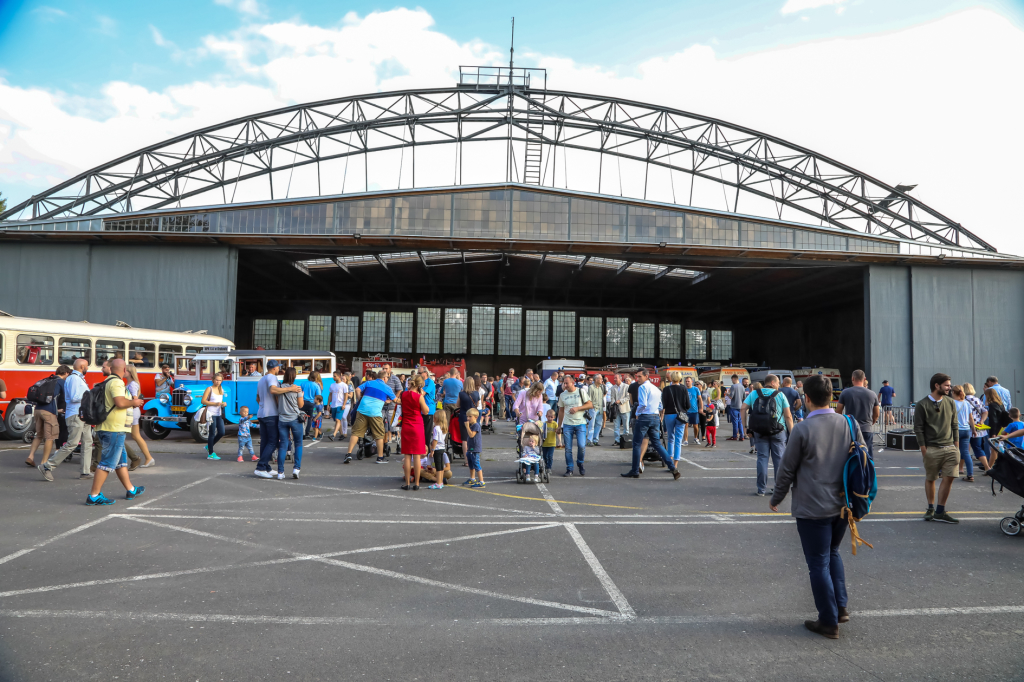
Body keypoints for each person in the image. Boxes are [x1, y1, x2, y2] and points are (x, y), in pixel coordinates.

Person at [769, 374, 863, 639]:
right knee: (832, 552)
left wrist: (776, 498)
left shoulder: (802, 429)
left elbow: (786, 470)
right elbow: (862, 458)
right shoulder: (848, 423)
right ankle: (840, 607)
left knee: (818, 562)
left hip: (812, 507)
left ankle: (828, 619)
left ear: (805, 398)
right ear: (833, 396)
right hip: (843, 505)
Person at [86, 358, 146, 506]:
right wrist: (134, 402)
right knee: (106, 463)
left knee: (121, 463)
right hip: (113, 429)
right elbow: (120, 402)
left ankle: (131, 489)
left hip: (110, 427)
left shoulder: (108, 381)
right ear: (124, 370)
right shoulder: (117, 383)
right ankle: (93, 495)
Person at [913, 373, 961, 524]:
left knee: (949, 478)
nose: (949, 388)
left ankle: (940, 511)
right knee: (931, 478)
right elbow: (918, 428)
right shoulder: (922, 404)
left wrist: (956, 446)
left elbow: (955, 424)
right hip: (931, 448)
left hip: (950, 448)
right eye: (947, 385)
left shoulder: (951, 402)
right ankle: (930, 508)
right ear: (937, 385)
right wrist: (923, 448)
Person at [621, 368, 681, 480]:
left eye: (640, 376)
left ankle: (635, 470)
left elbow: (642, 404)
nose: (637, 378)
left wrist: (637, 413)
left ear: (646, 376)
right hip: (655, 416)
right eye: (637, 376)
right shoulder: (656, 389)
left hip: (645, 416)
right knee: (657, 444)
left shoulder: (643, 387)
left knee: (636, 444)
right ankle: (672, 467)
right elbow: (660, 406)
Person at [40, 358, 93, 481]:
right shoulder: (74, 378)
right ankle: (47, 466)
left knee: (88, 442)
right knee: (72, 443)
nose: (88, 369)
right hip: (76, 414)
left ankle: (85, 471)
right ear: (82, 367)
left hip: (81, 414)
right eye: (87, 366)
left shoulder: (76, 378)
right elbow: (74, 397)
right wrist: (90, 395)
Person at [742, 374, 794, 497]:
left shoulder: (754, 394)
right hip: (778, 431)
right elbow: (788, 416)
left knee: (762, 459)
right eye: (778, 382)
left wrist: (745, 427)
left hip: (759, 432)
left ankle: (761, 489)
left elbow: (743, 408)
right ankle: (778, 489)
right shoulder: (780, 395)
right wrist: (792, 433)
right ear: (773, 382)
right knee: (779, 460)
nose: (779, 385)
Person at [254, 360, 301, 479]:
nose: (279, 369)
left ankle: (266, 467)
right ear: (274, 368)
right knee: (273, 441)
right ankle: (260, 467)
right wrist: (290, 389)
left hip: (261, 413)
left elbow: (258, 398)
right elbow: (273, 390)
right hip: (271, 414)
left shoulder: (261, 379)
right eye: (278, 367)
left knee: (265, 441)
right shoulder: (272, 378)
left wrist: (263, 405)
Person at [344, 370, 396, 465]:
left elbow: (357, 390)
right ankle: (380, 457)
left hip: (362, 409)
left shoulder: (369, 382)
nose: (387, 379)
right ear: (385, 378)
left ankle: (348, 454)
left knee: (356, 432)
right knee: (379, 435)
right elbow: (396, 400)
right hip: (375, 413)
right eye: (387, 378)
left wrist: (360, 398)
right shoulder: (387, 388)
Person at [27, 365, 70, 473]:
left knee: (39, 435)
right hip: (49, 412)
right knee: (50, 437)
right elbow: (65, 398)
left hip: (37, 410)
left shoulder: (47, 379)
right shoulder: (61, 382)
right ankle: (44, 462)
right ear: (65, 373)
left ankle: (31, 457)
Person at [836, 370, 879, 459]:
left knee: (851, 456)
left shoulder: (845, 392)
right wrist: (871, 423)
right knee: (867, 456)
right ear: (865, 379)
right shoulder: (872, 394)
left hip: (851, 429)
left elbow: (838, 411)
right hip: (866, 429)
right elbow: (876, 414)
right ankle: (868, 472)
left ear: (852, 378)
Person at [557, 375, 592, 477]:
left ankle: (580, 463)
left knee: (581, 446)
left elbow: (590, 405)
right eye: (564, 383)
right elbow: (561, 411)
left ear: (573, 383)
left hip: (580, 423)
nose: (565, 385)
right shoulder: (562, 395)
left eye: (567, 383)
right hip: (568, 424)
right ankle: (570, 468)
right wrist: (559, 425)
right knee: (568, 448)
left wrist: (578, 408)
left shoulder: (581, 392)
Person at [400, 375, 430, 491]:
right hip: (417, 425)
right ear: (419, 385)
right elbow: (426, 411)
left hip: (406, 425)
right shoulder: (419, 397)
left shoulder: (404, 395)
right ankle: (417, 483)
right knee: (417, 456)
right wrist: (422, 395)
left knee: (407, 455)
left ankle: (407, 483)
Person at [275, 366, 304, 479]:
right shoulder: (297, 388)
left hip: (282, 419)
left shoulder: (279, 388)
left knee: (282, 445)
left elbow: (277, 402)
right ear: (294, 376)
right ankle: (296, 469)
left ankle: (280, 472)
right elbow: (301, 405)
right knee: (298, 444)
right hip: (295, 419)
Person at [125, 364, 155, 467]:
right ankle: (148, 458)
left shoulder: (132, 384)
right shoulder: (132, 383)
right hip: (134, 411)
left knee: (132, 436)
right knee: (135, 435)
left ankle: (148, 457)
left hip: (131, 411)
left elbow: (135, 398)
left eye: (125, 370)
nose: (123, 371)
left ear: (130, 372)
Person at [661, 371, 689, 464]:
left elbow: (663, 405)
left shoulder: (666, 389)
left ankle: (669, 459)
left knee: (670, 437)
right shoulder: (684, 389)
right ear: (680, 378)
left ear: (671, 378)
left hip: (669, 415)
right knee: (678, 439)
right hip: (681, 415)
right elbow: (688, 404)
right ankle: (675, 463)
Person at [201, 372, 228, 460]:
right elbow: (203, 401)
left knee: (221, 432)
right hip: (211, 413)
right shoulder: (209, 389)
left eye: (220, 380)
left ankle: (209, 446)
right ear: (213, 380)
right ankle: (210, 454)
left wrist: (223, 404)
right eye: (217, 380)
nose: (218, 382)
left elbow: (221, 400)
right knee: (212, 433)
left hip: (218, 413)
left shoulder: (221, 389)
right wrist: (215, 403)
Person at [951, 385, 976, 482]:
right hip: (966, 430)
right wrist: (973, 430)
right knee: (966, 453)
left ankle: (945, 471)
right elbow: (971, 418)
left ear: (953, 392)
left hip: (955, 429)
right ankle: (970, 475)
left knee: (950, 450)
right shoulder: (967, 403)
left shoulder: (952, 403)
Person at [963, 383, 990, 473]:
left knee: (964, 448)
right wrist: (981, 421)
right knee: (978, 447)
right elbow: (985, 411)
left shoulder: (963, 400)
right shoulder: (978, 399)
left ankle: (961, 469)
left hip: (967, 426)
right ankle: (987, 467)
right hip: (979, 427)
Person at [983, 387, 1011, 470]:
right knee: (997, 448)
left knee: (994, 449)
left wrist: (993, 433)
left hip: (996, 429)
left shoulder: (992, 406)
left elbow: (993, 420)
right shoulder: (1000, 404)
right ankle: (992, 467)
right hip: (1002, 428)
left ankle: (989, 468)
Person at [427, 411, 450, 490]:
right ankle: (440, 482)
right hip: (442, 448)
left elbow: (435, 440)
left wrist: (432, 450)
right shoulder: (443, 427)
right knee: (440, 467)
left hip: (437, 448)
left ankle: (438, 482)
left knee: (437, 466)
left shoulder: (436, 428)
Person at [462, 408, 485, 487]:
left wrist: (467, 427)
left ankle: (481, 481)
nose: (468, 418)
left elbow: (471, 435)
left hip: (475, 448)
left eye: (470, 416)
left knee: (476, 464)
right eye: (467, 416)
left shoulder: (476, 426)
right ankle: (472, 478)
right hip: (470, 448)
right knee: (471, 464)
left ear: (475, 417)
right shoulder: (472, 425)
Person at [607, 374, 631, 446]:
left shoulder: (626, 386)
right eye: (614, 378)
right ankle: (617, 440)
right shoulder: (613, 387)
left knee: (626, 425)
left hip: (625, 408)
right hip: (616, 410)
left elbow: (628, 397)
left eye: (616, 378)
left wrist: (620, 401)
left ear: (620, 379)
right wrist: (613, 403)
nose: (614, 379)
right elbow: (612, 397)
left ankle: (625, 440)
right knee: (616, 425)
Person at [328, 371, 349, 441]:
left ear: (339, 376)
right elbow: (330, 395)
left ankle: (333, 435)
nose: (333, 377)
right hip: (333, 405)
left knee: (338, 420)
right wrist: (328, 404)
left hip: (340, 405)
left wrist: (344, 404)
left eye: (335, 376)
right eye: (333, 376)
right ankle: (342, 434)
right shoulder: (332, 385)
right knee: (337, 421)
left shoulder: (344, 385)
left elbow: (346, 395)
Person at [586, 374, 606, 447]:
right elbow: (589, 398)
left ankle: (595, 440)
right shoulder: (591, 387)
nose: (602, 380)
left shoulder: (602, 387)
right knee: (591, 425)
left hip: (600, 408)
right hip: (593, 409)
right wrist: (591, 407)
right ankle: (589, 440)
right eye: (600, 379)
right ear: (596, 379)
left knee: (598, 425)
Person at [726, 374, 746, 441]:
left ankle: (735, 436)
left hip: (734, 406)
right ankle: (742, 436)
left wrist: (727, 394)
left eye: (732, 379)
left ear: (734, 379)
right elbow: (744, 397)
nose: (732, 381)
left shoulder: (733, 386)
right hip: (740, 406)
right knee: (740, 422)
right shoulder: (742, 387)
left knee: (735, 422)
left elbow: (731, 396)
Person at [542, 408, 559, 473]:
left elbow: (558, 433)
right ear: (546, 416)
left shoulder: (555, 424)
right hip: (545, 443)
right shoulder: (544, 424)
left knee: (550, 456)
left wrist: (559, 441)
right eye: (549, 417)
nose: (550, 418)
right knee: (544, 456)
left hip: (552, 443)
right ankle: (546, 465)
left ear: (554, 417)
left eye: (551, 417)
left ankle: (549, 467)